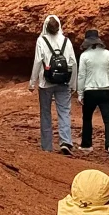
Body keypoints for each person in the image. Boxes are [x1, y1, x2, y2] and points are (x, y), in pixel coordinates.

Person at [28, 13, 76, 156]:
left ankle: (47, 146)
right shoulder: (66, 41)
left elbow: (38, 61)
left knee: (45, 113)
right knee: (64, 112)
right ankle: (65, 141)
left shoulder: (41, 40)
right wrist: (73, 84)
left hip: (46, 82)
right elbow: (72, 62)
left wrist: (32, 82)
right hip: (63, 82)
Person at [77, 27, 109, 157]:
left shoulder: (84, 56)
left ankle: (87, 145)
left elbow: (81, 76)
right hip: (106, 90)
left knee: (87, 118)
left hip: (90, 91)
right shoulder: (108, 54)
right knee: (108, 120)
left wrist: (80, 93)